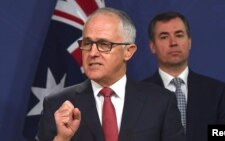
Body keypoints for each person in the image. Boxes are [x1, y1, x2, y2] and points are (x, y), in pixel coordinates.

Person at [37, 8, 185, 141]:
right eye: (87, 43)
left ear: (128, 51)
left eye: (104, 45)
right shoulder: (57, 104)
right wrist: (62, 139)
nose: (93, 53)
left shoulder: (161, 102)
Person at [144, 11, 225, 141]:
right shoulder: (139, 94)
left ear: (189, 42)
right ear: (152, 46)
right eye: (164, 37)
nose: (173, 43)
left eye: (179, 35)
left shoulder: (218, 92)